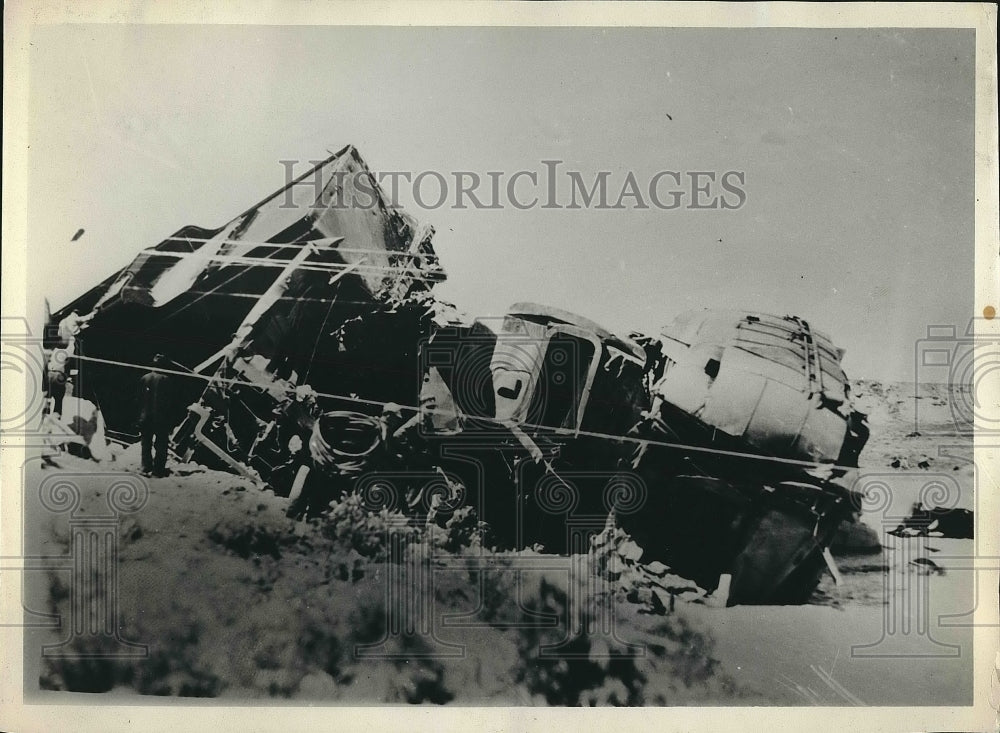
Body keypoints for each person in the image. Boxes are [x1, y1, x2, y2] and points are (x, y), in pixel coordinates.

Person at [139, 354, 174, 477]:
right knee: (161, 444)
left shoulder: (144, 378)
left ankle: (145, 467)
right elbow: (169, 402)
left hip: (145, 417)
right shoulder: (166, 380)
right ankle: (158, 470)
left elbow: (138, 399)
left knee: (146, 443)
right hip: (160, 418)